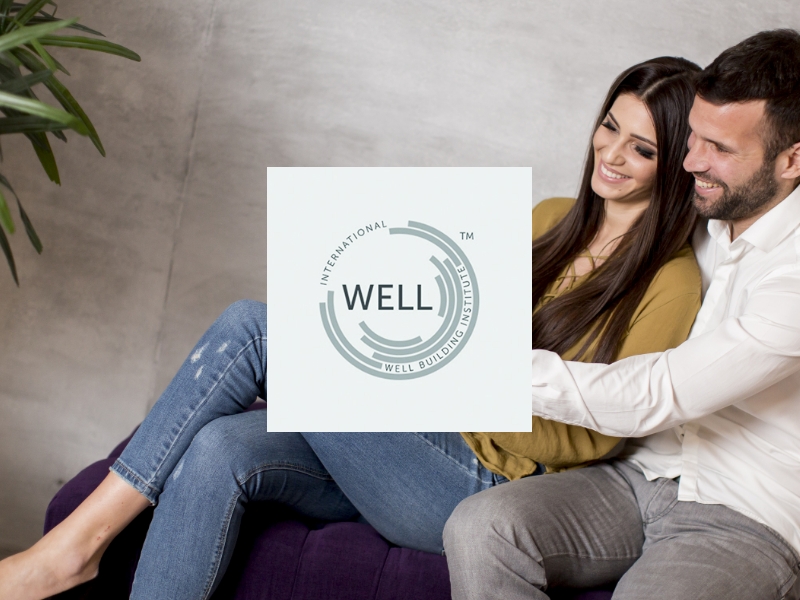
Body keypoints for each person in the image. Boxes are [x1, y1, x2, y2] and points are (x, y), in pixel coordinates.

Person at [0, 57, 703, 600]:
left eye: (642, 148)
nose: (612, 153)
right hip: (409, 440)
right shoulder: (551, 217)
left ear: (674, 164)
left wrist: (462, 386)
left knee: (258, 328)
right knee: (220, 446)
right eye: (610, 126)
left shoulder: (670, 283)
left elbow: (599, 434)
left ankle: (72, 550)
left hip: (482, 482)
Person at [443, 29, 800, 600]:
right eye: (693, 137)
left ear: (792, 159)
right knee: (483, 526)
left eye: (719, 148)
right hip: (635, 478)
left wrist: (480, 364)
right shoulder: (706, 218)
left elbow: (657, 392)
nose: (691, 161)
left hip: (745, 511)